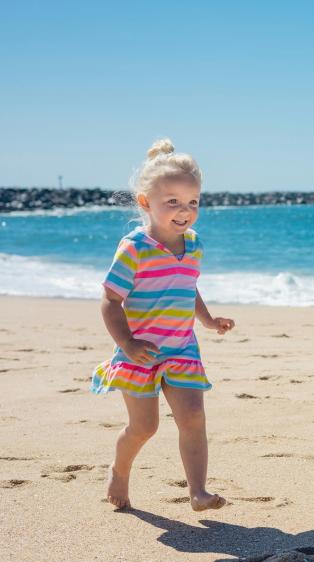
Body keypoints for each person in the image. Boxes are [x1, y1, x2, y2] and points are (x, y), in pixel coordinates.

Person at [90, 138, 235, 511]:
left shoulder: (194, 245)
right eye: (172, 202)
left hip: (181, 347)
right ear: (145, 203)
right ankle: (119, 470)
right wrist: (127, 345)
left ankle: (198, 492)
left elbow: (187, 286)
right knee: (144, 428)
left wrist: (207, 319)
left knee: (193, 417)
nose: (184, 211)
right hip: (139, 351)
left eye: (192, 202)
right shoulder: (134, 247)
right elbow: (109, 300)